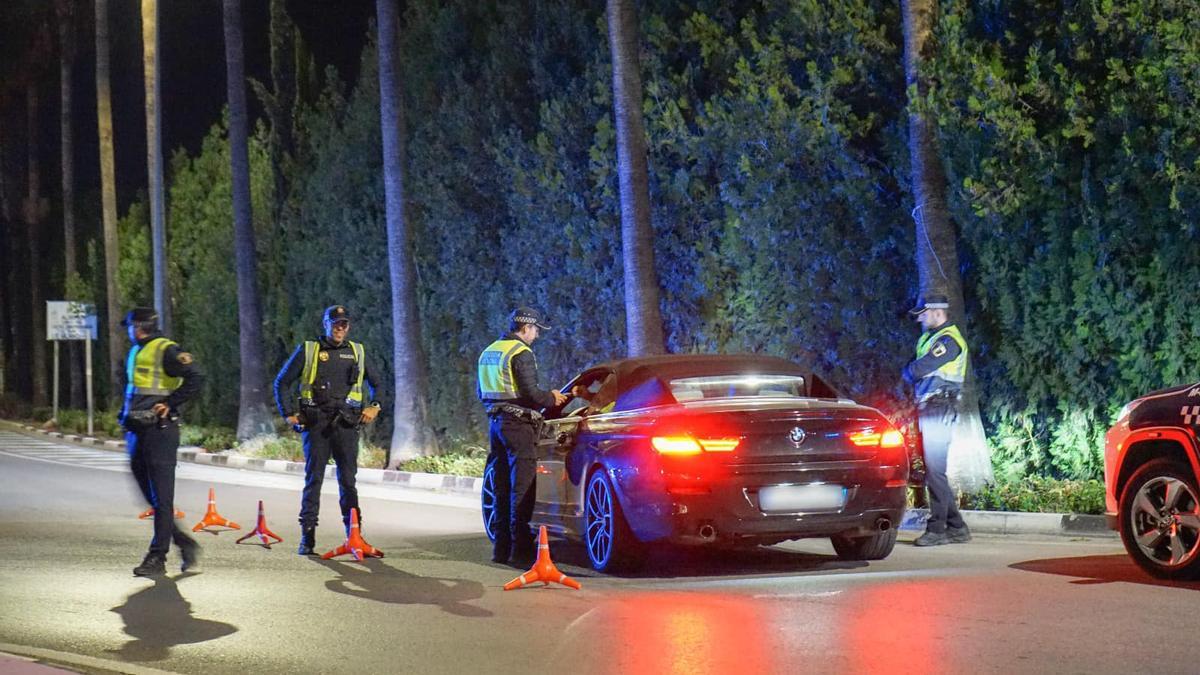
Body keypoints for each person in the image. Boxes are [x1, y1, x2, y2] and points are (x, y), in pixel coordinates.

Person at [274, 305, 382, 555]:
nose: (340, 328)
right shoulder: (310, 349)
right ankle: (307, 539)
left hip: (346, 425)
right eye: (335, 323)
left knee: (348, 483)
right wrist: (288, 413)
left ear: (349, 326)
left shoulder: (357, 352)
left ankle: (354, 536)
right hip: (316, 425)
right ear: (326, 324)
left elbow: (378, 385)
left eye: (344, 324)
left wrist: (374, 406)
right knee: (314, 481)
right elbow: (282, 382)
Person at [477, 307, 567, 565]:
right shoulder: (521, 352)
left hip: (496, 423)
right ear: (526, 328)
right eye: (536, 330)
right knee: (523, 488)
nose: (536, 335)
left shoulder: (489, 351)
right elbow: (530, 393)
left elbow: (481, 391)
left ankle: (501, 549)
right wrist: (552, 397)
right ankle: (521, 551)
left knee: (502, 487)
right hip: (518, 425)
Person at [119, 307, 204, 576]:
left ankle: (158, 556)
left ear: (139, 326)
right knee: (149, 493)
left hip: (160, 430)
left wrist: (170, 403)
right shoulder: (137, 350)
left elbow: (196, 376)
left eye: (130, 326)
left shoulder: (166, 349)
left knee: (162, 497)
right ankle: (183, 541)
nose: (129, 332)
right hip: (137, 429)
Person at [903, 294, 972, 546]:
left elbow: (917, 369)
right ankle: (957, 527)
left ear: (936, 312)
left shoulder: (948, 340)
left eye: (923, 313)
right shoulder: (932, 339)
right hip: (932, 409)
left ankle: (938, 530)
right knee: (935, 471)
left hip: (940, 409)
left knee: (935, 472)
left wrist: (911, 370)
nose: (919, 318)